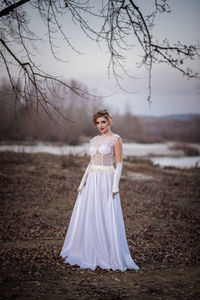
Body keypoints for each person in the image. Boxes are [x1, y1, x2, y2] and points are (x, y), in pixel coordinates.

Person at [60, 109, 139, 271]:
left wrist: (115, 185)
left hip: (106, 179)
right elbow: (90, 163)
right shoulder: (94, 140)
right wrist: (83, 182)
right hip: (93, 179)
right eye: (98, 123)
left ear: (109, 121)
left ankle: (109, 251)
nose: (100, 125)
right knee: (90, 213)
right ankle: (89, 249)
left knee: (105, 212)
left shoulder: (115, 139)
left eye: (103, 122)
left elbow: (119, 163)